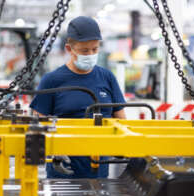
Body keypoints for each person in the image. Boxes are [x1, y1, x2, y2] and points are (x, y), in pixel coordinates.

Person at [30, 16, 126, 178]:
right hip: (63, 172)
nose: (90, 54)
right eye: (84, 51)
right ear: (69, 49)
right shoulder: (52, 80)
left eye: (95, 49)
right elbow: (37, 125)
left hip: (99, 172)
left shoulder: (107, 78)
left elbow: (121, 120)